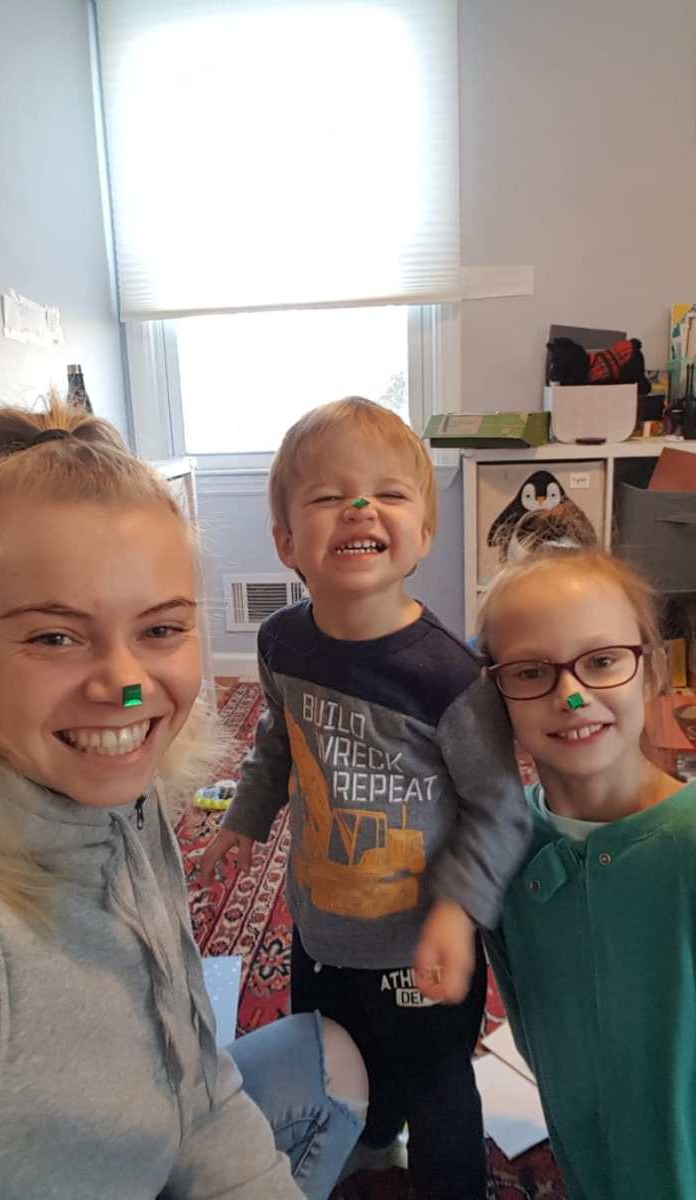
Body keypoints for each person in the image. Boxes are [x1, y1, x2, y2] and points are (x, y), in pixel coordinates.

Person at [0, 396, 368, 1200]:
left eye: (159, 630)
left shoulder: (120, 799)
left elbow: (198, 1077)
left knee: (335, 1062)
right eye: (55, 636)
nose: (125, 686)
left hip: (162, 1137)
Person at [200, 396, 531, 1200]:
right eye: (327, 496)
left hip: (419, 943)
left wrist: (457, 910)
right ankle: (374, 1149)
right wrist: (246, 815)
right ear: (286, 541)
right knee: (340, 1062)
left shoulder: (448, 676)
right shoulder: (281, 642)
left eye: (388, 493)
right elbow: (277, 738)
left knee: (436, 1087)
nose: (358, 507)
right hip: (320, 926)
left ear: (423, 533)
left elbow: (499, 807)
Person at [477, 546, 696, 1200]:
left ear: (651, 673)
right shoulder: (503, 846)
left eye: (601, 661)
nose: (571, 695)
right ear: (493, 698)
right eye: (531, 671)